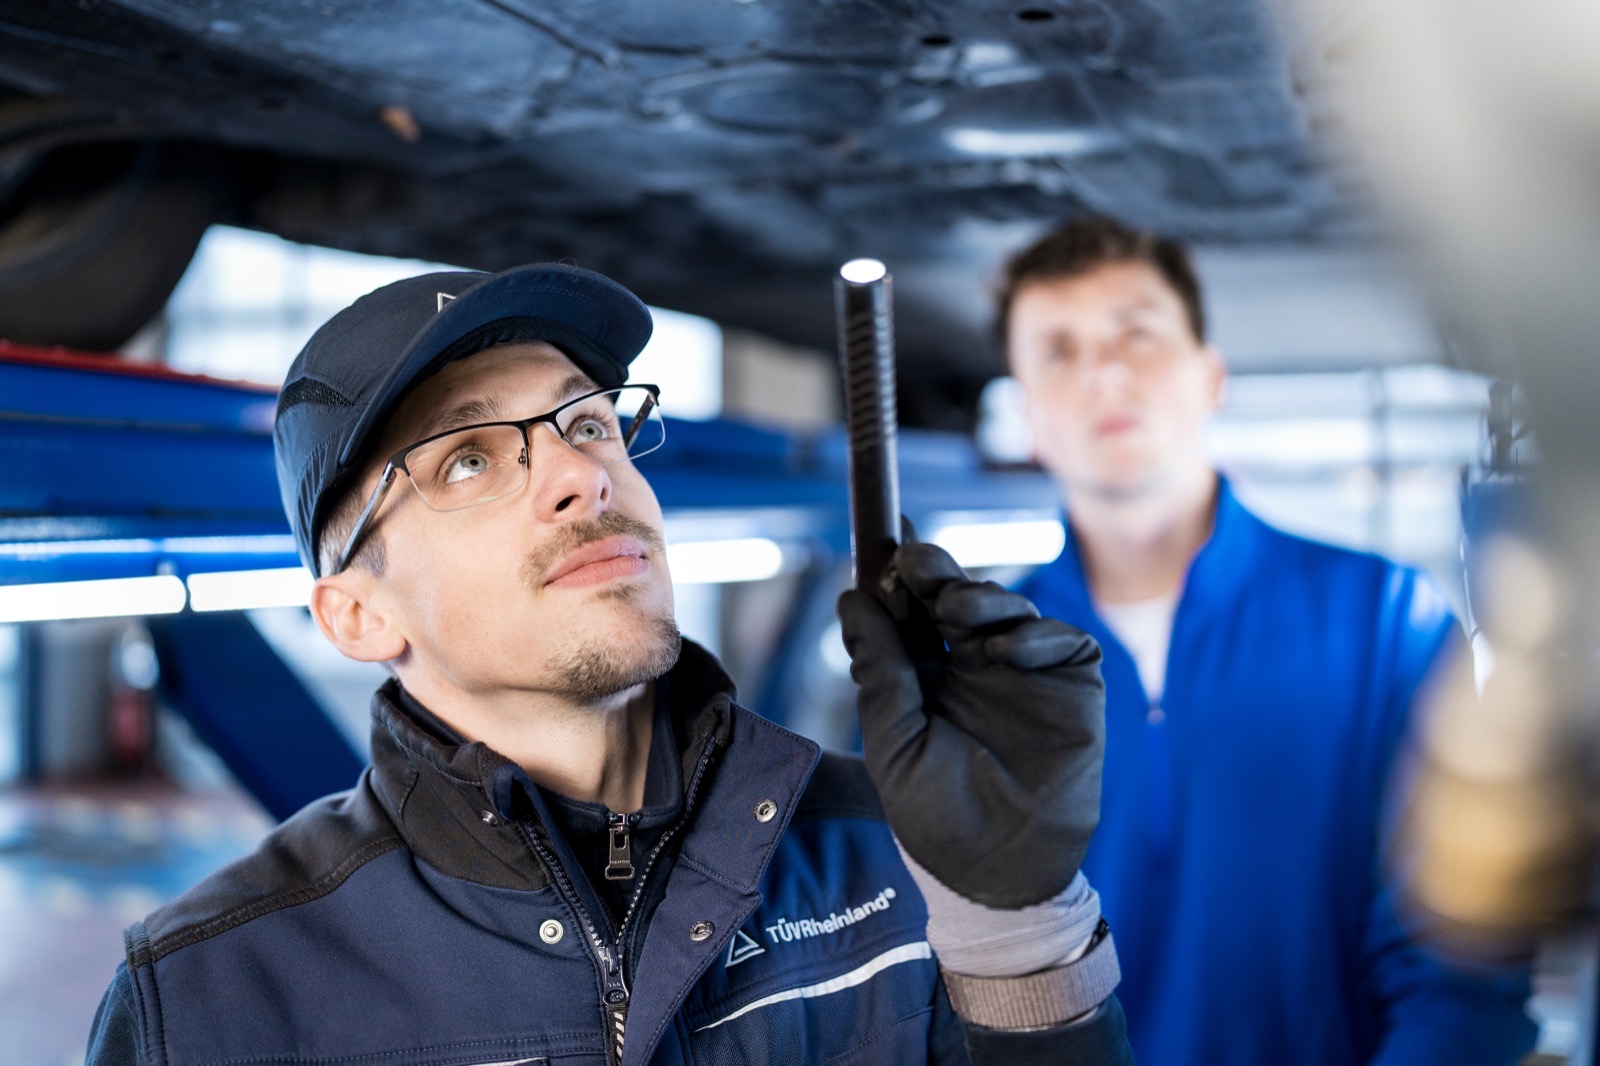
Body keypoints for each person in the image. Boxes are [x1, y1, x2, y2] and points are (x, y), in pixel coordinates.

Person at [85, 263, 1131, 1065]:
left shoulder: (904, 859)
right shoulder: (207, 994)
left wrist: (1015, 924)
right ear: (357, 615)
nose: (581, 474)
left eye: (585, 420)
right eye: (468, 458)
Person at [999, 215, 1537, 1065]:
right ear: (1027, 416)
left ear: (1211, 377)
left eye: (1135, 334)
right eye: (1058, 351)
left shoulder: (1384, 619)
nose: (1102, 372)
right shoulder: (983, 672)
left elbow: (1463, 969)